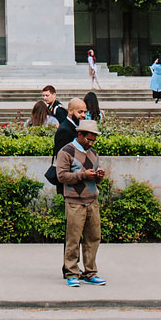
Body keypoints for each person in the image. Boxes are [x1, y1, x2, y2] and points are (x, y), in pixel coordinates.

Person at [55, 118, 108, 286]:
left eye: (93, 140)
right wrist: (83, 175)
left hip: (92, 199)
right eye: (88, 139)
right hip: (74, 201)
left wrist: (98, 177)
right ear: (80, 134)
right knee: (73, 238)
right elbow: (61, 176)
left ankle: (90, 271)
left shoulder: (93, 153)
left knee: (93, 238)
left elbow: (94, 179)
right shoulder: (66, 151)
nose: (91, 143)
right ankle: (71, 272)